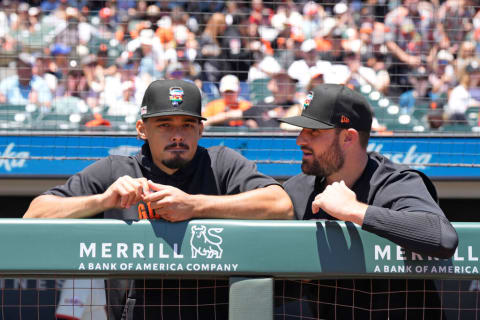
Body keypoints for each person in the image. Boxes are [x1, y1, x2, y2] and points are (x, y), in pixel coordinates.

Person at [24, 79, 293, 319]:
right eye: (164, 125)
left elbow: (280, 205)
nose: (177, 135)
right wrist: (103, 200)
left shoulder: (220, 163)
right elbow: (34, 215)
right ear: (142, 129)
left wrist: (195, 205)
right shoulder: (116, 170)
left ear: (201, 130)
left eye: (187, 125)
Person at [277, 83, 458, 318]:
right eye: (302, 130)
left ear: (348, 138)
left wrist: (352, 210)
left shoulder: (394, 182)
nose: (300, 140)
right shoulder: (297, 189)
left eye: (314, 132)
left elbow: (442, 237)